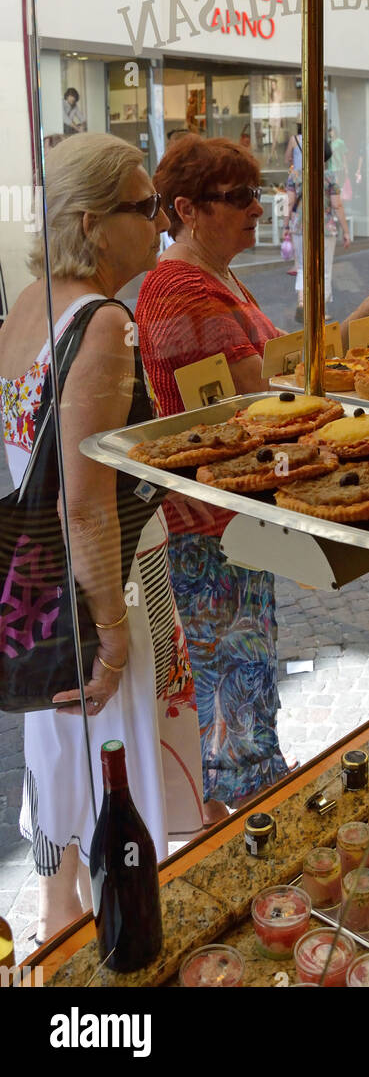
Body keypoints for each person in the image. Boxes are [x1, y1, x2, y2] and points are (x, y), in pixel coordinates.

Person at [135, 133, 369, 819]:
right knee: (230, 684)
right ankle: (247, 827)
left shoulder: (216, 274)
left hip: (229, 518)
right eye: (237, 197)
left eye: (258, 192)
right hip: (206, 529)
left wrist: (355, 329)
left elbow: (278, 370)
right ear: (186, 208)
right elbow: (272, 397)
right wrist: (359, 328)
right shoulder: (180, 290)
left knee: (243, 672)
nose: (257, 208)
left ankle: (249, 798)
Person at [0, 135, 204, 943]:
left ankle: (61, 913)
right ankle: (125, 938)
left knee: (62, 754)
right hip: (105, 586)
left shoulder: (28, 304)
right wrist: (115, 638)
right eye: (143, 207)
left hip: (39, 595)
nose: (159, 224)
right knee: (120, 766)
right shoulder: (106, 322)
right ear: (91, 222)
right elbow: (84, 504)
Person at [286, 140, 351, 323]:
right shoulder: (329, 176)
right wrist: (346, 231)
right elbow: (337, 204)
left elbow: (289, 203)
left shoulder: (295, 175)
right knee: (324, 269)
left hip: (299, 226)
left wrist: (285, 225)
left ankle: (301, 302)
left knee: (301, 266)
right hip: (325, 227)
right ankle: (319, 310)